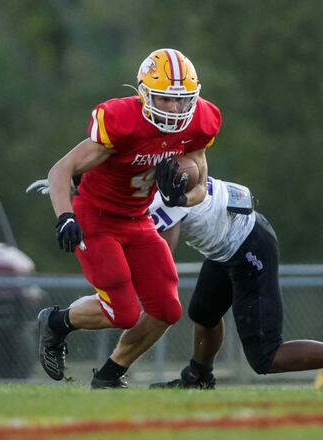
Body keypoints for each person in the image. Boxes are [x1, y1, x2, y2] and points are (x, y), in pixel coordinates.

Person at [37, 48, 222, 388]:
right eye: (165, 99)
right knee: (122, 312)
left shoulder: (200, 121)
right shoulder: (122, 121)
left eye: (181, 100)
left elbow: (201, 185)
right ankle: (56, 322)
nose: (175, 109)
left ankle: (109, 375)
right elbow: (60, 170)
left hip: (139, 219)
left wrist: (181, 198)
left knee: (167, 309)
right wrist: (65, 216)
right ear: (144, 94)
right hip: (97, 217)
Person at [144, 176, 323, 391]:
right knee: (203, 313)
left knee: (266, 356)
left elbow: (161, 252)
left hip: (247, 245)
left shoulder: (160, 179)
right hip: (227, 244)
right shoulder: (162, 162)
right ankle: (198, 377)